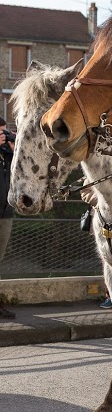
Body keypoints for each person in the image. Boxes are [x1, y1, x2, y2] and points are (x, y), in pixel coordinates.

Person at [0, 117, 16, 318]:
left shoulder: (7, 155)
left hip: (5, 214)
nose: (4, 136)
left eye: (6, 132)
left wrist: (13, 148)